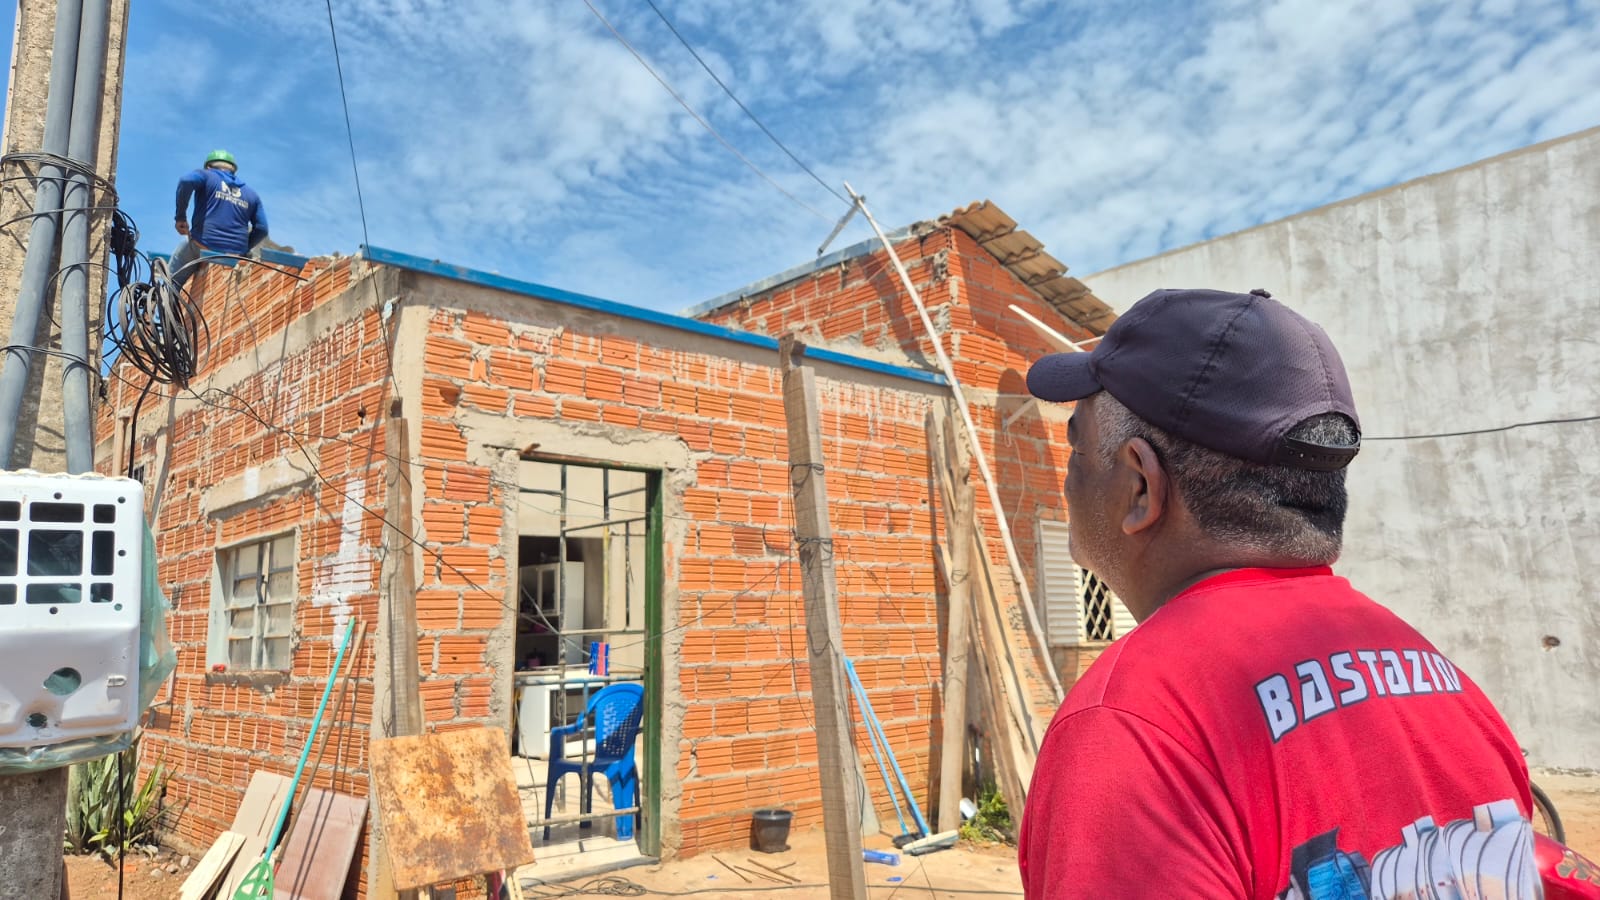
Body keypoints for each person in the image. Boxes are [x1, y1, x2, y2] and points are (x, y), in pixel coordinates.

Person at [1018, 288, 1581, 899]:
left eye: (1076, 445)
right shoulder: (1446, 685)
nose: (1067, 479)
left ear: (1140, 486)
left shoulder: (1133, 725)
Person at [170, 149, 268, 290]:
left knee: (172, 276)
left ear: (209, 166)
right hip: (235, 254)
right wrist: (243, 248)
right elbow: (262, 228)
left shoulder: (207, 176)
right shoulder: (251, 194)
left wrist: (180, 217)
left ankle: (166, 304)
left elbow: (186, 180)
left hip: (203, 246)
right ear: (233, 170)